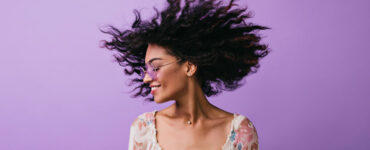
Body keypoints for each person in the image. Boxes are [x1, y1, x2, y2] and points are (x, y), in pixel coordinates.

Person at [100, 0, 270, 149]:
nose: (146, 78)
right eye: (145, 70)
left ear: (189, 67)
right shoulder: (143, 129)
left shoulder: (240, 131)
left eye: (156, 67)